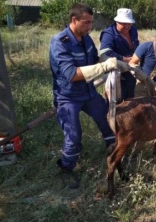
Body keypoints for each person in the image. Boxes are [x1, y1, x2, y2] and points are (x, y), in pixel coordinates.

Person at [49, 3, 126, 189]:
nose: (90, 26)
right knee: (74, 137)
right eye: (87, 22)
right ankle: (66, 168)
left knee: (110, 120)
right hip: (67, 97)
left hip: (89, 93)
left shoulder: (86, 39)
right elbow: (72, 75)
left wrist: (111, 62)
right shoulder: (60, 42)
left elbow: (94, 61)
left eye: (91, 23)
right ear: (74, 20)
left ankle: (113, 154)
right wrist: (103, 67)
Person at [99, 8, 139, 101]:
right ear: (117, 21)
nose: (127, 26)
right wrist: (124, 59)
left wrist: (135, 58)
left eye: (129, 23)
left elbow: (136, 45)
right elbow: (105, 52)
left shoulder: (133, 30)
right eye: (124, 23)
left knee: (131, 98)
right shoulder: (109, 34)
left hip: (131, 70)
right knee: (116, 100)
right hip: (116, 72)